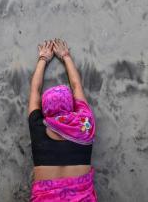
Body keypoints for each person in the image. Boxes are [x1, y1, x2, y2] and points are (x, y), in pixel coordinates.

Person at [28, 39, 97, 201]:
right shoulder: (84, 124)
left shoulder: (37, 127)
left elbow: (35, 91)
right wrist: (65, 56)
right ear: (71, 105)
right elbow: (76, 86)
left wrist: (43, 59)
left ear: (45, 110)